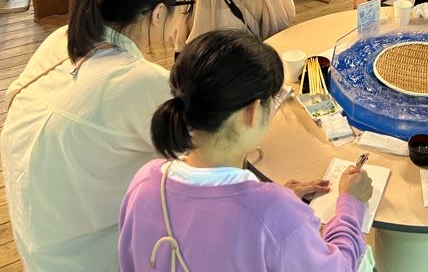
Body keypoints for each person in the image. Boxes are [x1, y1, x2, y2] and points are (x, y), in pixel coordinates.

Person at [1, 0, 194, 271]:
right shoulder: (138, 81)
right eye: (183, 8)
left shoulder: (62, 39)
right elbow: (203, 155)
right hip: (90, 255)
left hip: (39, 240)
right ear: (159, 13)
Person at [119, 30, 373, 272]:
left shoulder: (145, 181)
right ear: (252, 111)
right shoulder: (273, 214)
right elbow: (339, 266)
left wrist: (273, 204)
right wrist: (350, 204)